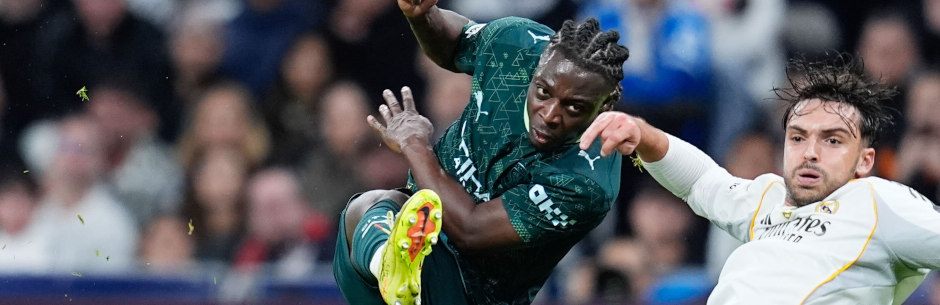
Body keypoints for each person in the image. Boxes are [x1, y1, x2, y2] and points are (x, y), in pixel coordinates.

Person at [332, 0, 630, 304]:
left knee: (379, 210)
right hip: (415, 239)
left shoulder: (587, 180)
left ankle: (394, 269)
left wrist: (414, 144)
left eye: (574, 107)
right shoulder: (516, 43)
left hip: (467, 291)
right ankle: (389, 267)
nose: (550, 114)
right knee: (366, 209)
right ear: (538, 66)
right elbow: (455, 44)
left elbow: (469, 229)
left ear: (604, 106)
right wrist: (422, 16)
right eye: (543, 92)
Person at [578, 54, 940, 304]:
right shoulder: (768, 197)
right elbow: (702, 182)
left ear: (864, 161)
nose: (810, 152)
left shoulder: (878, 201)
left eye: (832, 140)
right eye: (797, 137)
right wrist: (643, 134)